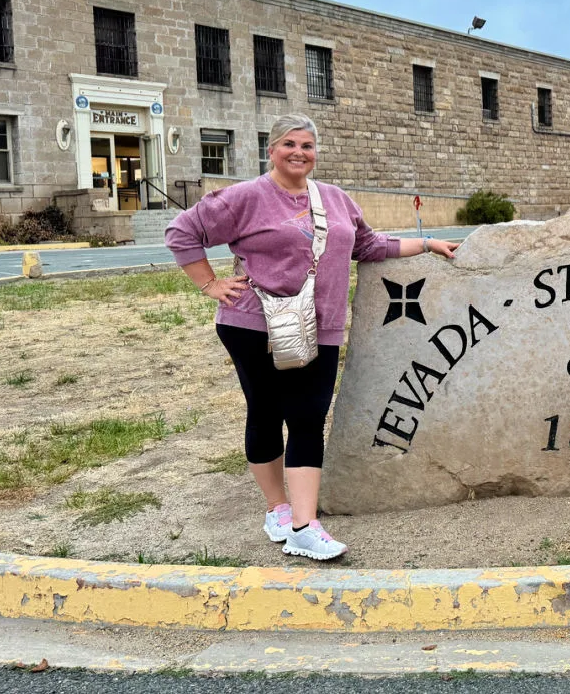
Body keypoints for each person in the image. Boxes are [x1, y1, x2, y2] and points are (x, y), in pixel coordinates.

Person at [165, 114, 459, 559]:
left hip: (319, 327)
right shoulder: (244, 198)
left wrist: (428, 243)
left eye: (307, 145)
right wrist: (210, 284)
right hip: (253, 326)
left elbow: (369, 245)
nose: (299, 152)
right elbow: (182, 231)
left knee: (306, 418)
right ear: (271, 150)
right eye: (289, 144)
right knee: (265, 414)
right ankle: (277, 509)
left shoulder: (336, 200)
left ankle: (304, 526)